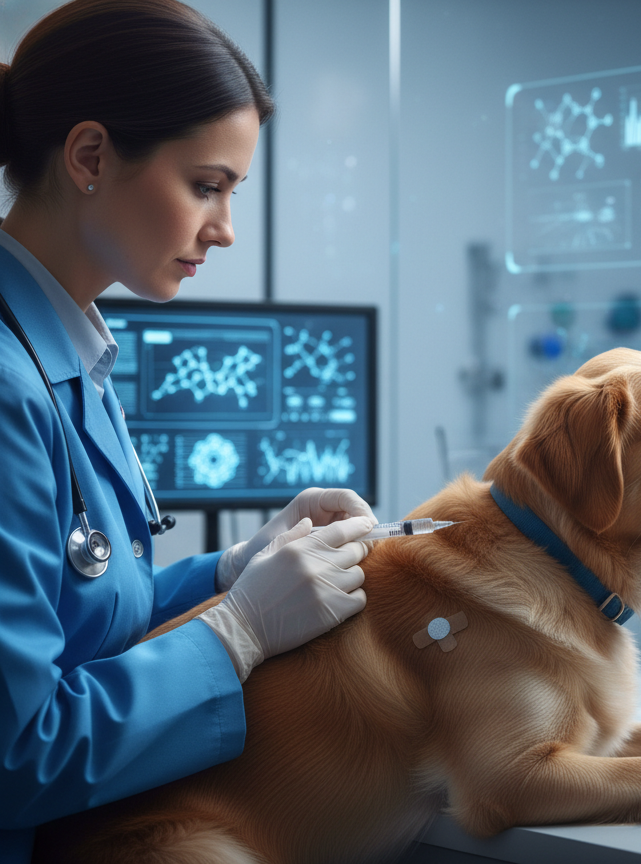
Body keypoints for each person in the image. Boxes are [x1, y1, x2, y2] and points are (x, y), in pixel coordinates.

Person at [0, 2, 375, 860]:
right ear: (90, 157)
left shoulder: (68, 353)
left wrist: (233, 571)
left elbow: (83, 619)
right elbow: (17, 754)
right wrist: (236, 632)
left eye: (233, 194)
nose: (225, 230)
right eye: (207, 186)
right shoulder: (9, 386)